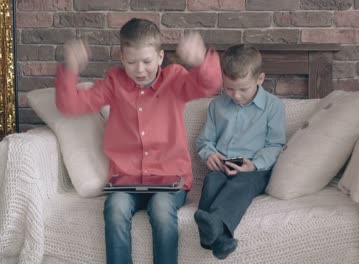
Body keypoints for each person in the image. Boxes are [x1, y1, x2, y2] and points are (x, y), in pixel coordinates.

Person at [55, 18, 222, 264]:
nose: (140, 69)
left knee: (162, 212)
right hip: (126, 180)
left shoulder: (175, 79)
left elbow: (209, 84)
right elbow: (70, 104)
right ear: (122, 58)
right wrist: (70, 68)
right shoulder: (114, 82)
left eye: (147, 61)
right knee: (115, 210)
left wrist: (200, 60)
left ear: (160, 56)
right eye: (132, 62)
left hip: (170, 178)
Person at [194, 44, 286, 260]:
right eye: (228, 88)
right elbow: (204, 140)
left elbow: (275, 145)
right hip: (223, 166)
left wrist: (253, 165)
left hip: (254, 170)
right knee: (212, 183)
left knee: (240, 184)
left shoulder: (273, 107)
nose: (235, 95)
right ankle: (222, 240)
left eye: (243, 89)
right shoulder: (217, 106)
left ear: (260, 79)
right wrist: (210, 154)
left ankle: (213, 230)